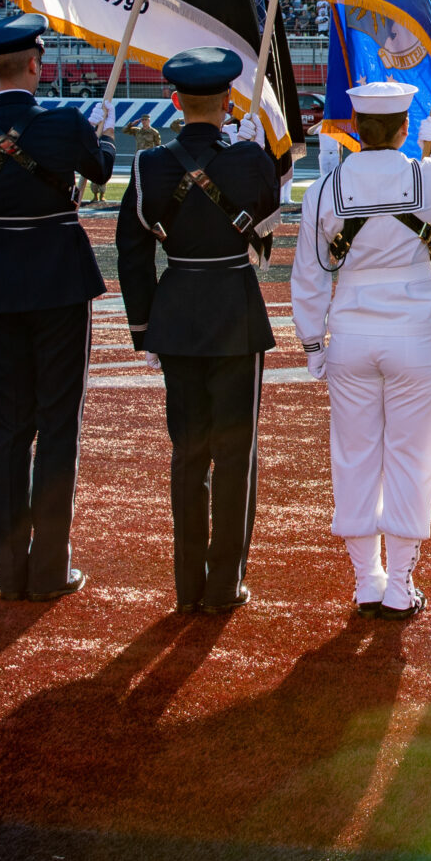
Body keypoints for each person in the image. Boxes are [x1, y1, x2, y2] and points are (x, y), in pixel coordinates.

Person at [0, 12, 117, 602]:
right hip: (61, 282)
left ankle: (11, 570)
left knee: (10, 428)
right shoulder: (65, 122)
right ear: (37, 64)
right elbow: (101, 171)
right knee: (59, 424)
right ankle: (50, 567)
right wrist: (105, 134)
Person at [118, 46, 283, 614]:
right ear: (228, 102)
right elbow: (266, 236)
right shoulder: (251, 159)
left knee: (188, 452)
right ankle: (224, 583)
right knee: (237, 453)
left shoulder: (147, 166)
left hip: (177, 313)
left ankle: (187, 584)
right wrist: (251, 150)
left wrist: (143, 328)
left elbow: (132, 252)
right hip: (235, 310)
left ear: (175, 102)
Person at [290, 78, 431, 620]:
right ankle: (401, 581)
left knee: (355, 455)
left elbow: (311, 272)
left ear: (358, 128)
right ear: (404, 128)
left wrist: (312, 340)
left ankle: (367, 578)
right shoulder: (424, 176)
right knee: (412, 455)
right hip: (416, 328)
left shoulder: (325, 189)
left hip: (352, 332)